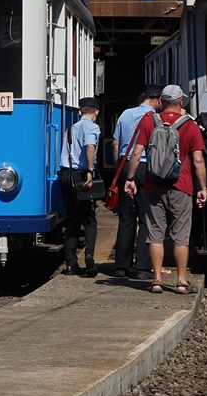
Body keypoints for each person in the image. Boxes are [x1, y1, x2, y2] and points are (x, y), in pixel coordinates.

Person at [123, 84, 207, 294]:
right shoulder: (190, 125)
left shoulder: (149, 122)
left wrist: (130, 178)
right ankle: (181, 282)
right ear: (181, 101)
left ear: (161, 101)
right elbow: (198, 160)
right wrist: (202, 188)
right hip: (182, 185)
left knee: (155, 234)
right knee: (180, 236)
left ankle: (157, 280)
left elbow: (136, 153)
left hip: (153, 185)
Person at [110, 84, 162, 278]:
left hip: (125, 166)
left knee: (126, 217)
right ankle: (142, 267)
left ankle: (121, 266)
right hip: (146, 168)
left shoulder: (125, 114)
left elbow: (115, 144)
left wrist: (119, 169)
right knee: (146, 217)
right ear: (158, 99)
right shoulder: (155, 118)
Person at [61, 97, 102, 277]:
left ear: (80, 112)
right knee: (89, 219)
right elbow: (90, 146)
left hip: (66, 175)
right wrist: (90, 171)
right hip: (81, 175)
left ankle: (71, 264)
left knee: (72, 219)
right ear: (96, 112)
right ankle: (89, 255)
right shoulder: (92, 127)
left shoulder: (70, 129)